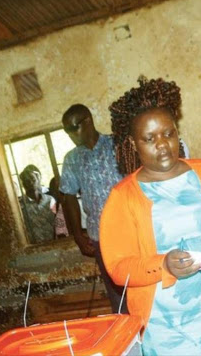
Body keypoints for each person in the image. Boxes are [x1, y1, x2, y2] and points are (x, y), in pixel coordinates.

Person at [101, 77, 201, 355]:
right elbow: (119, 268)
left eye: (168, 134)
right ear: (133, 144)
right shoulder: (124, 197)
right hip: (169, 327)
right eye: (149, 138)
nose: (162, 145)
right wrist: (163, 264)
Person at [59, 104, 127, 313]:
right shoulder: (72, 160)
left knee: (138, 284)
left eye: (74, 128)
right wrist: (78, 235)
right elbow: (68, 197)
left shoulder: (117, 145)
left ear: (88, 121)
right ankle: (127, 337)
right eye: (67, 131)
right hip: (100, 238)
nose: (71, 135)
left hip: (130, 231)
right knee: (116, 292)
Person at [19, 165, 56, 244]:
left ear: (38, 179)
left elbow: (59, 220)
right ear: (22, 184)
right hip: (33, 247)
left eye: (33, 179)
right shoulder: (20, 205)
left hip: (53, 242)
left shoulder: (50, 200)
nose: (31, 183)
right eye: (26, 181)